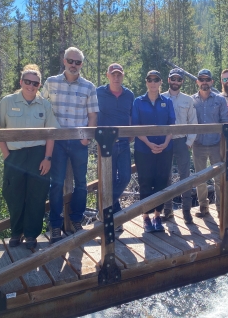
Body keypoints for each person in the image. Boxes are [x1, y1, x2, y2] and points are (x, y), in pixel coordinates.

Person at [0, 65, 60, 249]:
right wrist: (6, 155)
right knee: (13, 195)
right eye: (27, 82)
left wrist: (48, 158)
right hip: (15, 155)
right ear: (21, 82)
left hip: (39, 155)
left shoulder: (44, 104)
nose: (31, 86)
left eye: (35, 83)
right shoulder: (8, 101)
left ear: (39, 85)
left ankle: (31, 235)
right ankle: (16, 232)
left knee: (37, 197)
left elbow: (51, 133)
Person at [42, 47, 99, 243]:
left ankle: (76, 220)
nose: (74, 65)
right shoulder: (51, 82)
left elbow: (93, 115)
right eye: (70, 61)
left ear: (82, 64)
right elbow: (42, 109)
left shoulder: (89, 87)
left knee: (81, 183)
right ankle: (56, 225)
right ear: (64, 61)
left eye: (78, 62)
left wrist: (87, 138)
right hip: (56, 142)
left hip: (79, 141)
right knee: (56, 183)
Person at [132, 70, 175, 232]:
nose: (153, 83)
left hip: (165, 148)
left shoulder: (167, 101)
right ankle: (146, 217)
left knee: (161, 181)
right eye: (149, 79)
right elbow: (135, 126)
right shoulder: (138, 102)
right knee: (145, 182)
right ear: (146, 82)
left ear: (160, 82)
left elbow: (172, 124)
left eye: (156, 80)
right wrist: (149, 143)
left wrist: (165, 143)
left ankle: (158, 216)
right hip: (144, 149)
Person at [96, 63, 134, 231]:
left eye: (119, 74)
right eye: (113, 74)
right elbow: (93, 114)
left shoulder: (129, 95)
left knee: (125, 177)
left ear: (123, 76)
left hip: (124, 143)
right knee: (107, 180)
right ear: (108, 75)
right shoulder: (98, 93)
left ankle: (105, 209)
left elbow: (131, 115)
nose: (116, 77)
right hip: (106, 144)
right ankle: (112, 217)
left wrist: (132, 131)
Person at [161, 68, 198, 224]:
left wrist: (189, 142)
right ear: (169, 80)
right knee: (166, 177)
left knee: (185, 176)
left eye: (179, 79)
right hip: (166, 142)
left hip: (182, 141)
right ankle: (168, 211)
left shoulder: (188, 100)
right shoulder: (160, 97)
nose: (176, 82)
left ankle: (187, 211)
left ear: (182, 81)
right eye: (173, 79)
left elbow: (193, 122)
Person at [192, 68, 228, 217]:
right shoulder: (191, 100)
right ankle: (203, 207)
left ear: (212, 82)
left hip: (216, 144)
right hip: (198, 144)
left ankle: (220, 209)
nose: (205, 82)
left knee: (219, 179)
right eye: (202, 79)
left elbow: (225, 121)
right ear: (197, 82)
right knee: (200, 179)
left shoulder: (220, 99)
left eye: (207, 80)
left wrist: (223, 143)